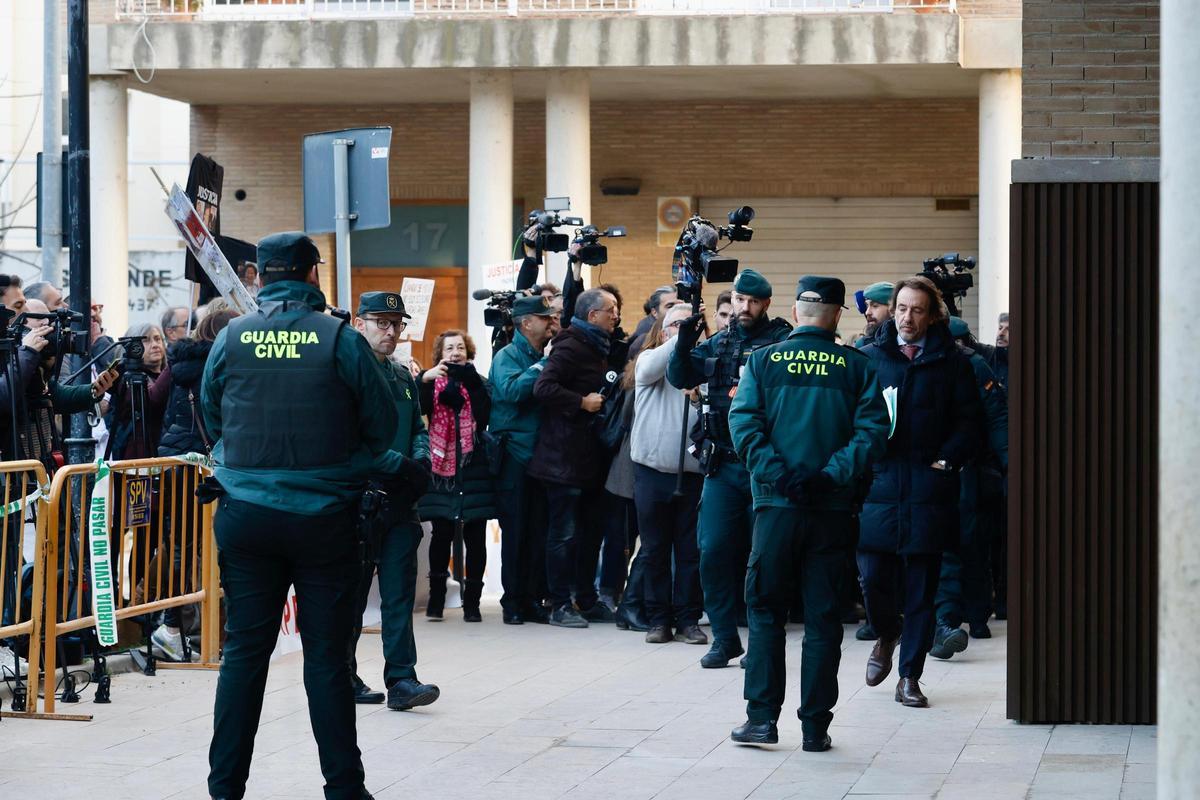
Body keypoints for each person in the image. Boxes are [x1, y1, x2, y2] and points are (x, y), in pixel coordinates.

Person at [201, 231, 398, 800]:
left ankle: (224, 788)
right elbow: (380, 426)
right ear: (314, 276)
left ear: (260, 277)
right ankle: (343, 787)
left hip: (246, 515)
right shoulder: (340, 338)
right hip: (325, 517)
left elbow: (213, 417)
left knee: (244, 652)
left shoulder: (232, 337)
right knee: (327, 658)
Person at [727, 275, 889, 749]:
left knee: (765, 613)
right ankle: (815, 728)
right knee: (822, 619)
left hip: (776, 509)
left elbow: (744, 425)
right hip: (832, 510)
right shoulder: (856, 367)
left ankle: (761, 720)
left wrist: (778, 475)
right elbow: (872, 434)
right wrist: (828, 476)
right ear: (839, 314)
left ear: (796, 313)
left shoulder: (761, 362)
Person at [857, 276, 982, 709]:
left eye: (917, 310)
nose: (907, 318)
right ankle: (886, 633)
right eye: (902, 308)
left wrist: (948, 459)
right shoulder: (868, 356)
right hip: (879, 483)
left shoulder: (954, 363)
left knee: (922, 590)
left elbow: (970, 423)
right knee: (873, 579)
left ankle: (910, 676)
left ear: (932, 316)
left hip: (929, 487)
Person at [666, 269, 791, 668]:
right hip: (721, 464)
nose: (745, 308)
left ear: (766, 304)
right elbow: (680, 376)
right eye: (739, 300)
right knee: (714, 550)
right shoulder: (719, 342)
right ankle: (724, 638)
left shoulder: (781, 343)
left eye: (753, 302)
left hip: (764, 466)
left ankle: (761, 638)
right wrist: (685, 339)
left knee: (765, 557)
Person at [348, 291, 441, 711]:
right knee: (350, 594)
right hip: (361, 497)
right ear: (360, 323)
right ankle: (342, 674)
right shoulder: (347, 373)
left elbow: (419, 427)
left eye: (396, 324)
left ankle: (402, 679)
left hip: (401, 500)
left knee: (399, 594)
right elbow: (350, 440)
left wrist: (419, 461)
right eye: (381, 323)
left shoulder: (403, 376)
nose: (390, 332)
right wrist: (401, 465)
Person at [150, 306, 239, 662]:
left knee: (180, 547)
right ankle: (218, 633)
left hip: (177, 462)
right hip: (211, 464)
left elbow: (156, 402)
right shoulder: (225, 366)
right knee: (223, 548)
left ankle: (172, 626)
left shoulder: (181, 364)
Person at [530, 287, 619, 628]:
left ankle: (586, 598)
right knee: (564, 535)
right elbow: (543, 388)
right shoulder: (571, 345)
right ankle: (559, 603)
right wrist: (581, 402)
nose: (616, 315)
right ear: (592, 315)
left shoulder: (597, 345)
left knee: (590, 532)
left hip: (588, 459)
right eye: (610, 310)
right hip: (562, 461)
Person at [928, 317, 1008, 659]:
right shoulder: (975, 364)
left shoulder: (955, 364)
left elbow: (996, 420)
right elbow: (998, 422)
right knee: (972, 547)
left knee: (947, 546)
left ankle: (949, 619)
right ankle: (976, 618)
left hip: (954, 470)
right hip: (970, 470)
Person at [631, 304, 707, 646]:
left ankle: (689, 619)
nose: (685, 330)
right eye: (677, 324)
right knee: (654, 549)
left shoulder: (703, 365)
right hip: (651, 472)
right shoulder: (649, 360)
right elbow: (650, 369)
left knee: (690, 552)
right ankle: (658, 619)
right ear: (664, 332)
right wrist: (682, 339)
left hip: (692, 475)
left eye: (691, 325)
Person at [488, 294, 557, 625]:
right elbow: (512, 391)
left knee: (537, 531)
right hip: (513, 455)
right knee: (515, 532)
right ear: (526, 323)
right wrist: (544, 366)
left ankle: (530, 599)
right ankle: (512, 601)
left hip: (539, 457)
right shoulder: (507, 356)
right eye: (545, 318)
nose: (551, 323)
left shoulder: (533, 355)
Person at [418, 329, 494, 622]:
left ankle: (472, 604)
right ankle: (436, 600)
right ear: (440, 354)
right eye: (449, 348)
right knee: (441, 535)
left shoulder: (479, 381)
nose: (455, 353)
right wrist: (424, 379)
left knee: (476, 537)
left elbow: (486, 417)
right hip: (441, 470)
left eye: (460, 347)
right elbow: (421, 409)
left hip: (474, 468)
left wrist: (472, 384)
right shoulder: (431, 381)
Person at [106, 323, 169, 460]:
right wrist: (173, 366)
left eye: (158, 339)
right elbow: (151, 399)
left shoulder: (169, 375)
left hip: (167, 453)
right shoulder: (127, 379)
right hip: (138, 461)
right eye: (146, 340)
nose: (154, 344)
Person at [629, 286, 679, 358]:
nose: (677, 309)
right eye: (670, 306)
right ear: (655, 312)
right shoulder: (643, 340)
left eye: (680, 305)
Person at [854, 281, 893, 348]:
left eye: (875, 306)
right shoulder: (863, 345)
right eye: (867, 306)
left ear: (893, 309)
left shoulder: (906, 342)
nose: (867, 312)